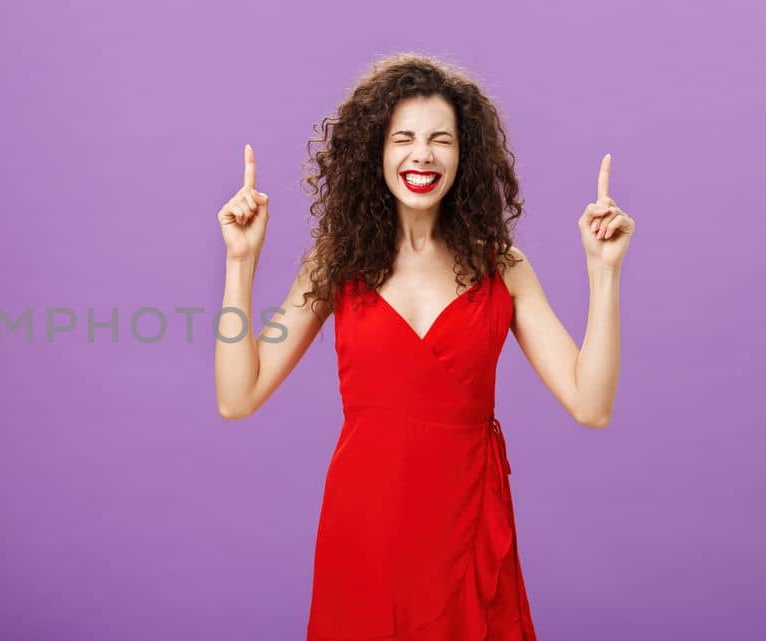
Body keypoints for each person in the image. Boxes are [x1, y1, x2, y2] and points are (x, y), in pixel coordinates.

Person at [212, 53, 632, 640]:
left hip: (466, 526)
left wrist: (604, 272)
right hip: (364, 526)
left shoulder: (504, 269)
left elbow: (592, 404)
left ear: (465, 156)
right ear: (375, 153)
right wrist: (239, 264)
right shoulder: (333, 268)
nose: (423, 155)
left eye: (442, 140)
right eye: (403, 138)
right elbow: (238, 394)